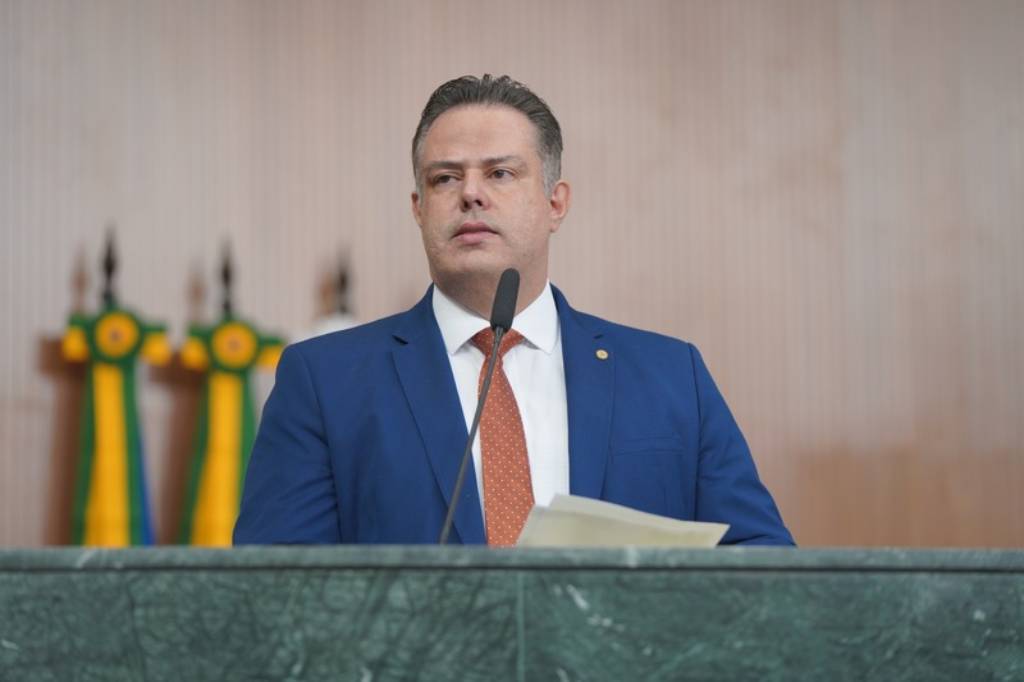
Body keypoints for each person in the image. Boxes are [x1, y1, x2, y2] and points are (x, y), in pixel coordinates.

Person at [234, 75, 794, 546]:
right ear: (419, 208)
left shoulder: (673, 377)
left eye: (500, 173)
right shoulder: (325, 382)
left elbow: (762, 564)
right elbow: (276, 594)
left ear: (556, 203)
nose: (471, 194)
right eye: (445, 178)